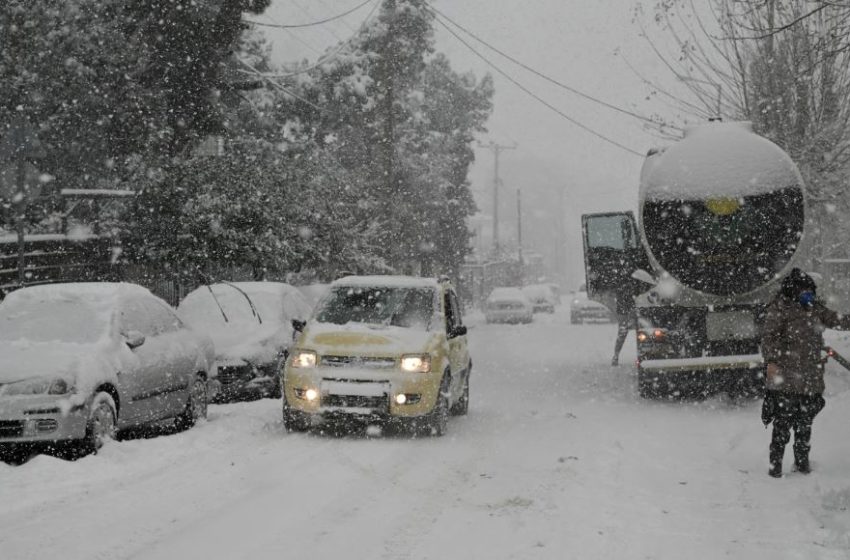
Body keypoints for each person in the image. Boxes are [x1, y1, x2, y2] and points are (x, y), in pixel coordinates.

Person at [761, 268, 850, 478]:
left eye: (811, 291)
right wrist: (771, 362)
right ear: (793, 291)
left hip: (810, 378)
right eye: (805, 291)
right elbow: (769, 338)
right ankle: (776, 468)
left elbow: (836, 319)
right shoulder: (779, 309)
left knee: (804, 425)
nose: (808, 295)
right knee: (782, 425)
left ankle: (802, 464)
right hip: (787, 378)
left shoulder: (814, 308)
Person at [611, 276, 641, 367]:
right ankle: (640, 358)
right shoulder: (634, 283)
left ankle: (616, 356)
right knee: (639, 334)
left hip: (626, 311)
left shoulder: (620, 282)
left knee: (622, 333)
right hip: (630, 311)